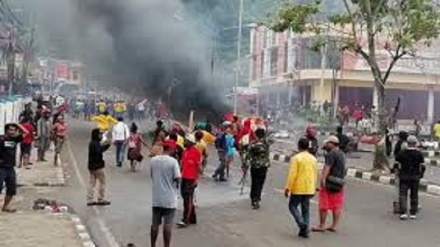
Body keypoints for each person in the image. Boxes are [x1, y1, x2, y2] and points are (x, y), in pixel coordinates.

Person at [284, 138, 318, 238]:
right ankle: (304, 230)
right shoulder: (313, 158)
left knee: (292, 206)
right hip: (309, 188)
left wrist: (287, 188)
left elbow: (292, 175)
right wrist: (314, 187)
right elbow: (315, 174)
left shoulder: (296, 158)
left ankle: (302, 224)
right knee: (305, 209)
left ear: (298, 146)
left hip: (298, 187)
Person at [150, 144, 181, 247]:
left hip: (157, 198)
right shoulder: (173, 162)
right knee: (167, 225)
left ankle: (153, 245)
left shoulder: (153, 160)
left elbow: (152, 176)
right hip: (169, 199)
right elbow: (177, 178)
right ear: (171, 149)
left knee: (155, 224)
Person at [312, 136, 346, 232]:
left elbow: (327, 167)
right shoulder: (342, 154)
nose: (326, 145)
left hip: (330, 182)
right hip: (340, 182)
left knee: (324, 204)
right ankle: (334, 225)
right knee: (337, 204)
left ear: (332, 143)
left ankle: (322, 225)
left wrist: (322, 180)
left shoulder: (331, 154)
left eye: (327, 143)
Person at [395, 135, 425, 220]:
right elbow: (423, 166)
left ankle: (403, 212)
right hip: (415, 177)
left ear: (407, 143)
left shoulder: (401, 153)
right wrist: (421, 174)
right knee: (414, 195)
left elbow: (396, 165)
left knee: (403, 194)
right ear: (415, 143)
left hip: (404, 177)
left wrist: (397, 172)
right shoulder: (419, 154)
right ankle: (413, 213)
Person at [0, 123, 29, 212]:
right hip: (1, 168)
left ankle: (5, 206)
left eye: (14, 130)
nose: (12, 132)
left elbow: (26, 132)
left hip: (10, 168)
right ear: (6, 130)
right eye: (10, 130)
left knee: (12, 188)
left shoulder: (15, 139)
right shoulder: (1, 139)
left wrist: (16, 124)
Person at [177, 134, 201, 228]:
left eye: (185, 141)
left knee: (188, 200)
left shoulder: (196, 152)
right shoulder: (185, 151)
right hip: (184, 177)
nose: (184, 142)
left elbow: (198, 167)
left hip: (191, 179)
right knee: (185, 197)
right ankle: (192, 218)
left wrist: (196, 179)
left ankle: (185, 219)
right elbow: (182, 165)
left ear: (190, 142)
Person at [245, 128, 271, 210]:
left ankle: (254, 198)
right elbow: (271, 139)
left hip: (255, 166)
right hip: (264, 166)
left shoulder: (253, 144)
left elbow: (248, 155)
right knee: (260, 182)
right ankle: (257, 198)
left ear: (256, 135)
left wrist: (245, 165)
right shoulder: (266, 143)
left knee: (255, 182)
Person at [87, 128, 112, 206]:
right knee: (102, 182)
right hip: (98, 166)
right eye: (100, 134)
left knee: (92, 183)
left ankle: (90, 199)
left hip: (91, 167)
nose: (101, 136)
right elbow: (99, 151)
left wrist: (105, 145)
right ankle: (101, 199)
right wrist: (107, 144)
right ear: (96, 135)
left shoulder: (92, 143)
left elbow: (100, 149)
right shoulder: (95, 144)